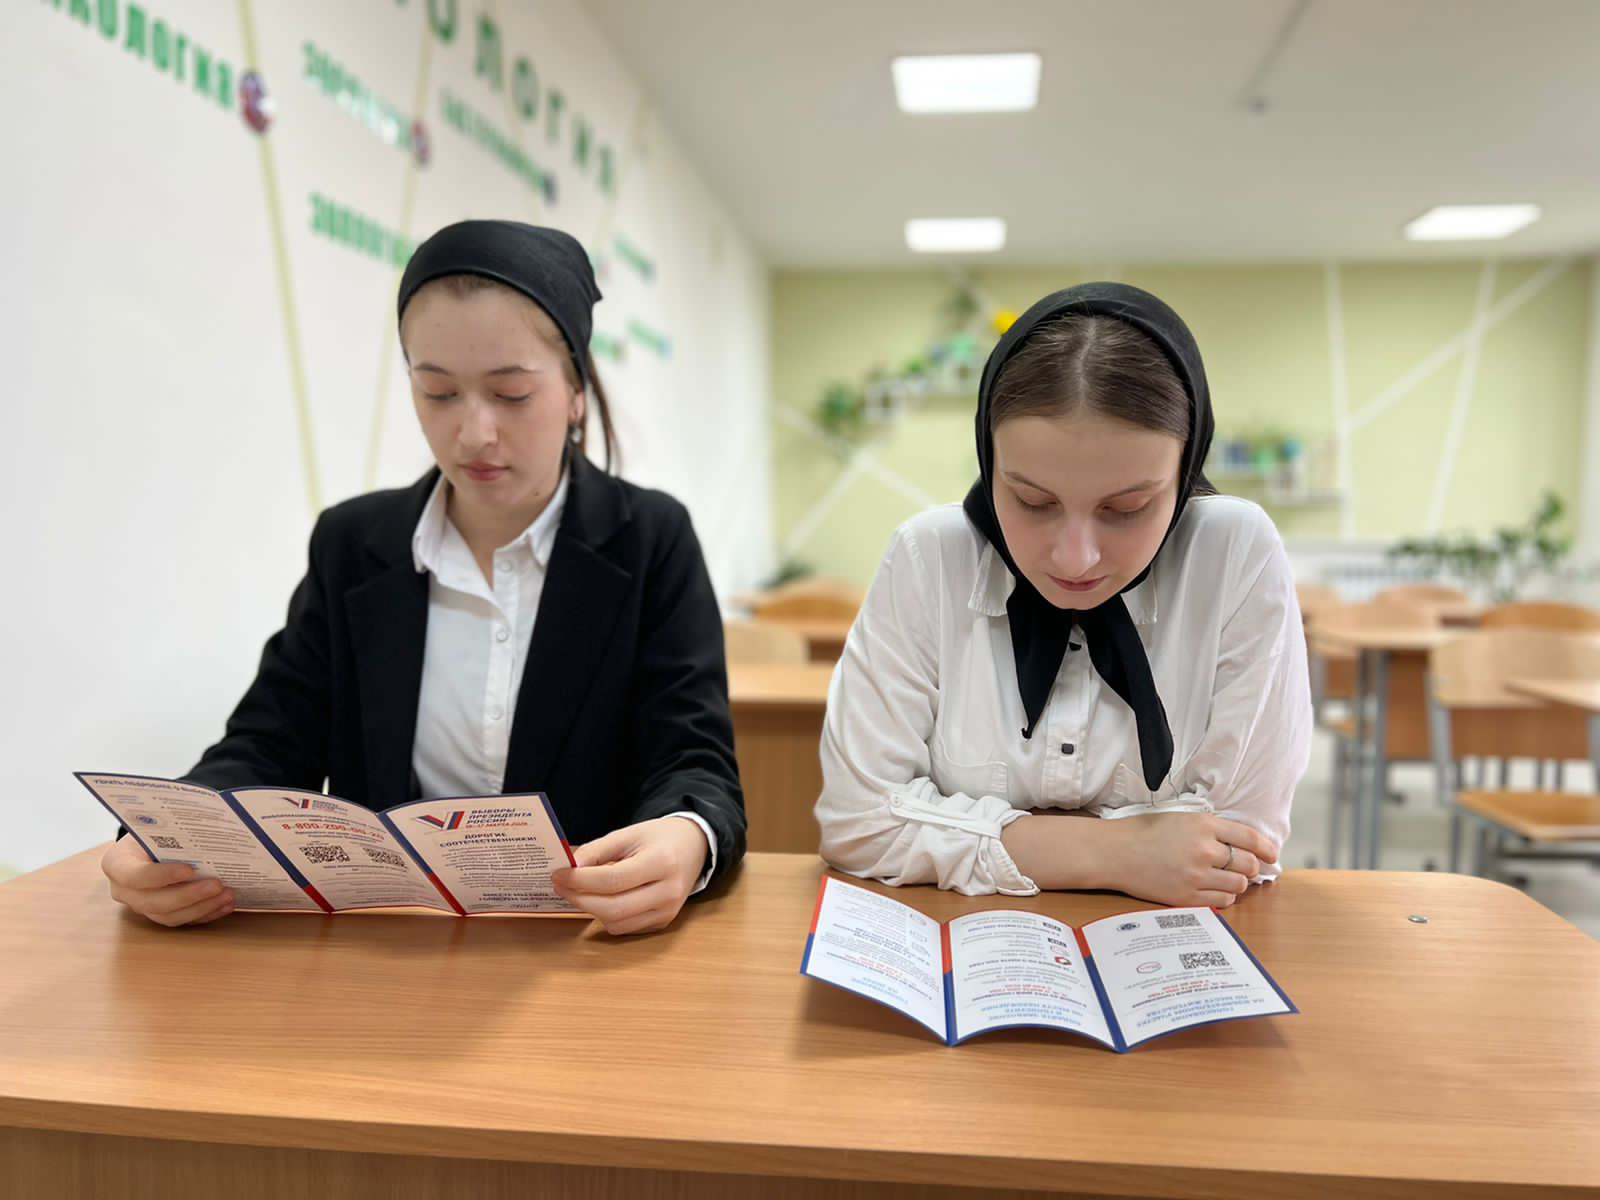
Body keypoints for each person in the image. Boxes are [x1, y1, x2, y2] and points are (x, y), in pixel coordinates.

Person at [102, 220, 745, 933]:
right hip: (389, 939)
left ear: (576, 391)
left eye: (511, 394)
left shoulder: (651, 540)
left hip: (579, 939)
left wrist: (687, 836)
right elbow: (269, 743)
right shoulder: (354, 545)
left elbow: (692, 759)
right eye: (437, 393)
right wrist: (166, 837)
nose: (474, 433)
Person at [816, 282, 1310, 907]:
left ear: (1185, 472)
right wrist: (1122, 853)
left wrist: (976, 835)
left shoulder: (1233, 552)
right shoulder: (930, 556)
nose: (1076, 559)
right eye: (1032, 501)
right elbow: (858, 823)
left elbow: (1239, 842)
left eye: (1127, 508)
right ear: (989, 461)